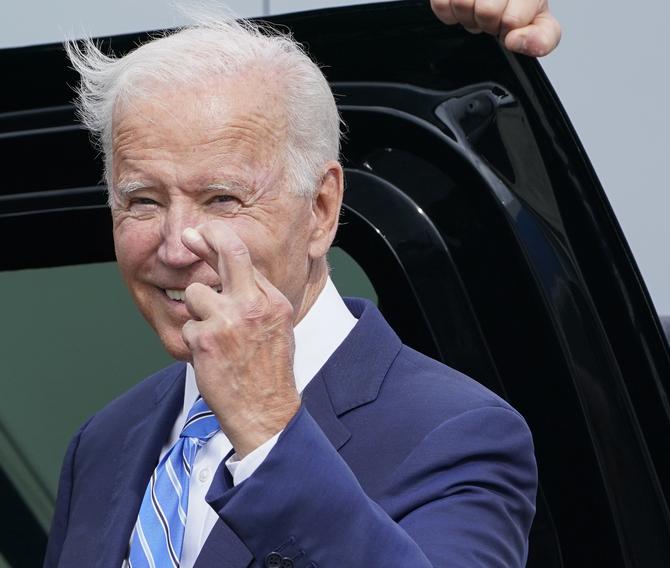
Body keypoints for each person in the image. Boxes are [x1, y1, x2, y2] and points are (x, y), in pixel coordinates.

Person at [44, 1, 561, 566]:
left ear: (320, 209)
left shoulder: (458, 434)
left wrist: (267, 430)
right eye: (142, 201)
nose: (174, 246)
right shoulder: (103, 444)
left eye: (222, 199)